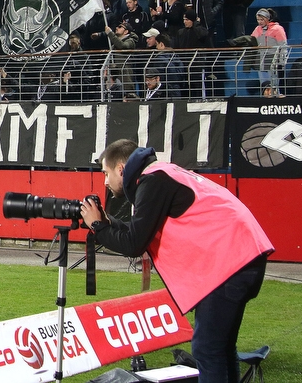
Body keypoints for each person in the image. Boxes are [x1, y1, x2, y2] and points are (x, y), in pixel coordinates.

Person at [81, 139, 273, 383]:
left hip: (230, 262)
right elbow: (140, 232)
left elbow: (134, 244)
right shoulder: (161, 173)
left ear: (121, 168)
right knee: (221, 347)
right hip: (242, 257)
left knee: (207, 348)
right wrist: (108, 223)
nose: (106, 182)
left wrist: (97, 227)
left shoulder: (152, 181)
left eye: (106, 173)